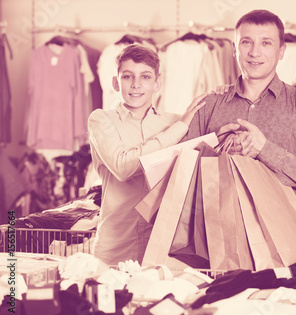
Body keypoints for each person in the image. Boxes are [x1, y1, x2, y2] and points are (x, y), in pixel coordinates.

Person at [182, 9, 296, 218]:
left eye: (266, 43)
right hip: (218, 238)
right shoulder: (208, 104)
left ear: (281, 51)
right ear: (235, 49)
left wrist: (265, 150)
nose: (255, 52)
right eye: (246, 42)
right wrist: (217, 149)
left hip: (284, 242)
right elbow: (181, 176)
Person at [88, 44, 207, 266]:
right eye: (127, 76)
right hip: (114, 248)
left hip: (162, 248)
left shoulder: (175, 121)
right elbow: (123, 167)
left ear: (157, 83)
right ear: (115, 82)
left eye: (145, 76)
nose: (136, 84)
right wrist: (178, 130)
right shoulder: (101, 120)